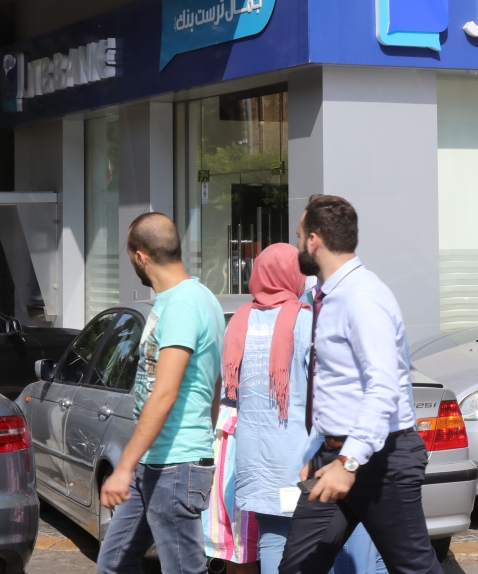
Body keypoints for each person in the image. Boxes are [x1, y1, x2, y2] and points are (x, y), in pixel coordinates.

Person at [278, 195, 443, 574]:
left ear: (315, 240)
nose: (298, 244)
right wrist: (320, 451)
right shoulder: (330, 296)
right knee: (297, 569)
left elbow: (382, 387)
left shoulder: (362, 298)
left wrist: (348, 463)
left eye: (300, 235)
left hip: (382, 459)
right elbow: (338, 387)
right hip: (336, 457)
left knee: (414, 568)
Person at [204, 243, 386, 574]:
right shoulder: (306, 322)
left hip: (255, 466)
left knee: (273, 541)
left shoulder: (238, 324)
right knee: (323, 548)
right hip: (301, 463)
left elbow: (227, 392)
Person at [97, 212, 224, 574]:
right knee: (115, 562)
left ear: (141, 256)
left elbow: (165, 392)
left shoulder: (184, 304)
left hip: (175, 465)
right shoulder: (185, 300)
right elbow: (213, 383)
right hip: (155, 461)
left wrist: (121, 469)